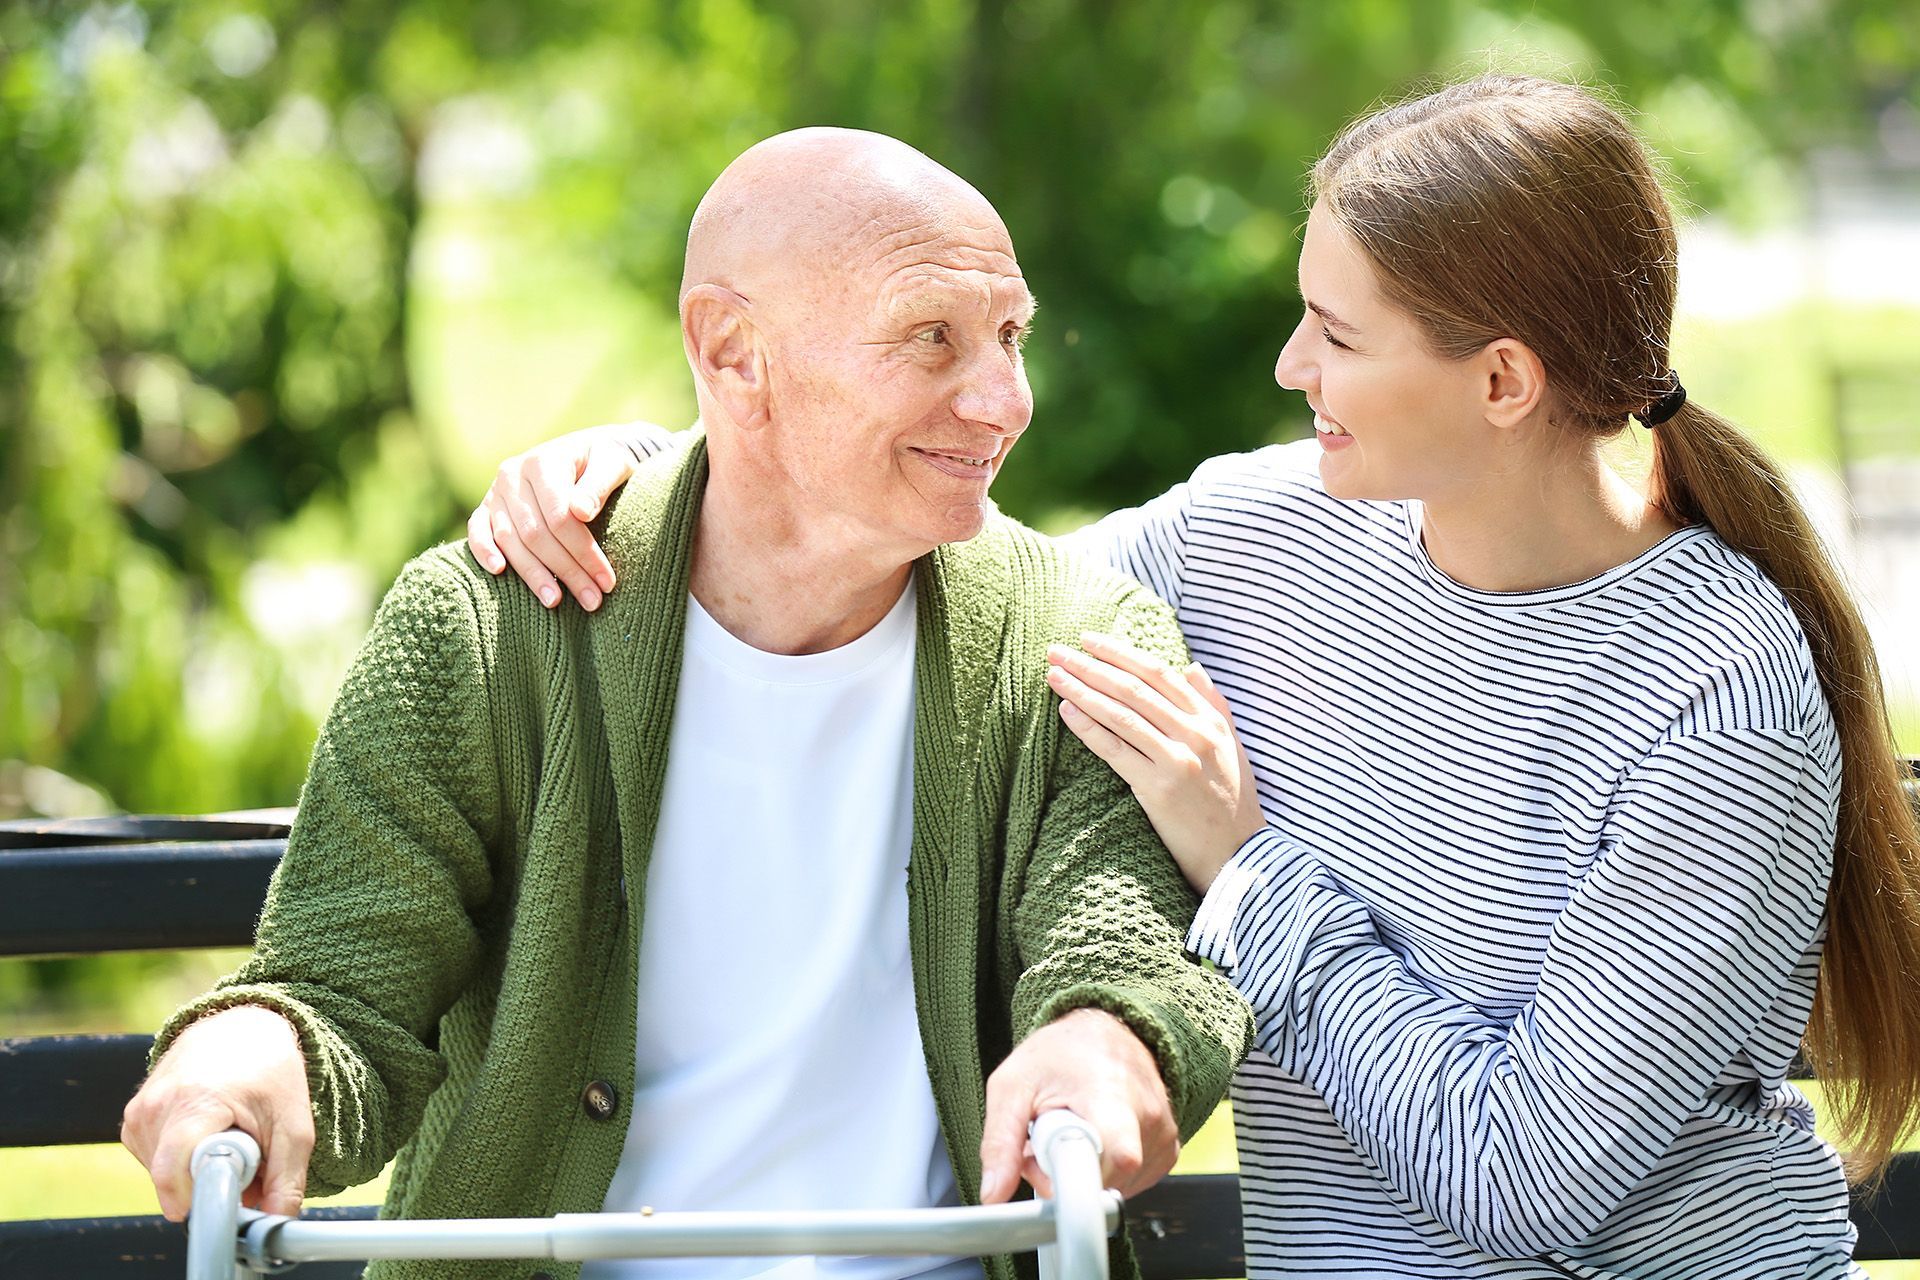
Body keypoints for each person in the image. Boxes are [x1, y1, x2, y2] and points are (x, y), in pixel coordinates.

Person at [468, 76, 1920, 1279]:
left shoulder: (1716, 696)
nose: (1290, 365)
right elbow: (923, 573)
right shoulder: (1253, 542)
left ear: (1500, 383)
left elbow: (1525, 1176)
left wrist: (1247, 869)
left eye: (1339, 338)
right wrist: (666, 469)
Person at [121, 128, 1251, 1280]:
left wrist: (1104, 1041)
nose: (1004, 399)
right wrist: (249, 1051)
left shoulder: (1082, 642)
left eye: (1009, 334)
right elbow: (338, 983)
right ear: (734, 349)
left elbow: (1118, 951)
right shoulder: (487, 627)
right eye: (932, 337)